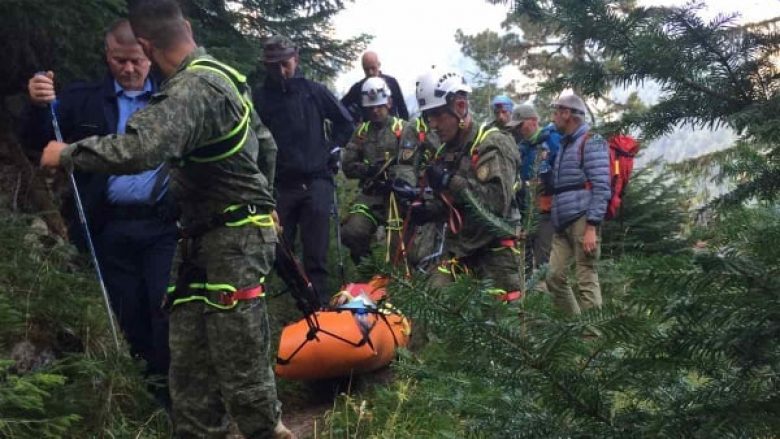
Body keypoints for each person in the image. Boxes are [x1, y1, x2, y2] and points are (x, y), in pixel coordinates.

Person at [39, 1, 292, 437]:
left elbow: (141, 149)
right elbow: (265, 144)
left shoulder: (193, 89)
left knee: (240, 360)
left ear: (146, 46)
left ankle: (265, 431)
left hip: (232, 242)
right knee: (189, 363)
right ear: (188, 28)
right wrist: (264, 204)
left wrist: (66, 154)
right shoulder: (226, 77)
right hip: (202, 239)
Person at [24, 19, 175, 409]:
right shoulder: (83, 98)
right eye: (118, 60)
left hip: (163, 225)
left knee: (166, 310)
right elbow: (42, 139)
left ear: (150, 56)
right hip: (107, 226)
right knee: (130, 315)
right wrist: (38, 102)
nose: (128, 69)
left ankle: (181, 400)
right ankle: (153, 399)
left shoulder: (171, 98)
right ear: (107, 56)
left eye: (136, 61)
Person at [254, 35, 353, 306]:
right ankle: (297, 296)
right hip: (281, 186)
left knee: (316, 253)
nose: (280, 71)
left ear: (295, 59)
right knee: (276, 247)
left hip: (317, 180)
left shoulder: (313, 91)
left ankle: (317, 308)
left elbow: (346, 123)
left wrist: (333, 150)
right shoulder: (260, 98)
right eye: (273, 66)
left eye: (284, 63)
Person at [411, 68, 523, 301]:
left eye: (437, 115)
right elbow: (454, 206)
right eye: (427, 117)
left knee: (503, 329)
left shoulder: (492, 143)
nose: (432, 125)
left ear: (460, 107)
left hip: (496, 254)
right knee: (431, 306)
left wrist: (451, 181)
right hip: (460, 252)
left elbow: (496, 203)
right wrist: (427, 211)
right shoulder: (446, 151)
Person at [545, 94, 610, 315]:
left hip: (583, 219)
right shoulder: (565, 143)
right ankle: (574, 327)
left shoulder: (592, 140)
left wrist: (592, 226)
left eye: (556, 112)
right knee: (553, 277)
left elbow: (602, 186)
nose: (553, 118)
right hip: (562, 220)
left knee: (586, 278)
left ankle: (593, 340)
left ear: (567, 114)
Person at [340, 77, 405, 265]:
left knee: (399, 246)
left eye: (379, 106)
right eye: (371, 108)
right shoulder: (361, 132)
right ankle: (368, 271)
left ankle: (399, 281)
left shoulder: (403, 129)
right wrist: (367, 170)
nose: (375, 111)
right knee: (351, 232)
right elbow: (348, 167)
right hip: (370, 195)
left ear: (389, 103)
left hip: (397, 197)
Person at [505, 104, 561, 272]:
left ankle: (546, 294)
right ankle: (527, 295)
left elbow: (562, 174)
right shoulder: (522, 148)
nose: (519, 130)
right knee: (524, 257)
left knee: (544, 257)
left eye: (520, 125)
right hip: (525, 211)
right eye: (516, 127)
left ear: (534, 121)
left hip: (547, 210)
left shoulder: (553, 140)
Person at [340, 51, 409, 123]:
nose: (370, 72)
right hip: (369, 131)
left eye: (373, 68)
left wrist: (404, 130)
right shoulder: (358, 88)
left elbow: (402, 108)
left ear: (379, 65)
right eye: (366, 69)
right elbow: (341, 106)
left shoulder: (391, 82)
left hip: (392, 129)